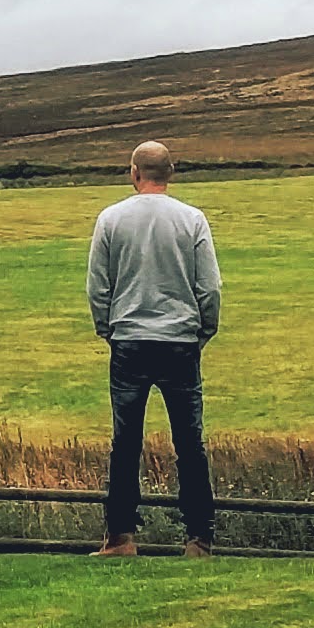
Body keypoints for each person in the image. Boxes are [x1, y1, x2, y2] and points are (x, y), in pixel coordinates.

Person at [88, 140, 220, 557]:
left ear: (134, 172)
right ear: (171, 172)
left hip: (129, 340)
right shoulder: (192, 219)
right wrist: (204, 329)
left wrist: (106, 327)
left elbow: (98, 285)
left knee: (125, 442)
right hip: (180, 342)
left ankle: (121, 536)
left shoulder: (111, 219)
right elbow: (209, 286)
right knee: (189, 443)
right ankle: (199, 538)